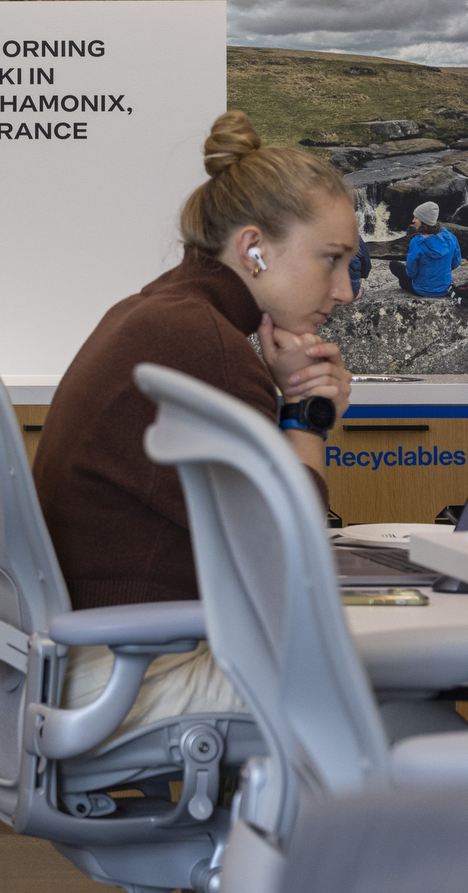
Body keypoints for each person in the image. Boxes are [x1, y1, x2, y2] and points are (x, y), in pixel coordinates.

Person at [35, 111, 355, 730]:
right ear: (253, 249)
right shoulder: (206, 344)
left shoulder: (160, 313)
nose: (346, 290)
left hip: (101, 647)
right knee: (404, 708)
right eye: (331, 260)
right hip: (139, 664)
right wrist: (307, 422)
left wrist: (288, 399)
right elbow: (290, 555)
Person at [389, 200, 463, 300]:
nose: (413, 220)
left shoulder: (416, 242)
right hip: (445, 288)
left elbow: (411, 272)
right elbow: (456, 262)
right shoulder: (451, 238)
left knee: (394, 265)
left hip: (422, 290)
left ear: (424, 221)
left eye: (416, 217)